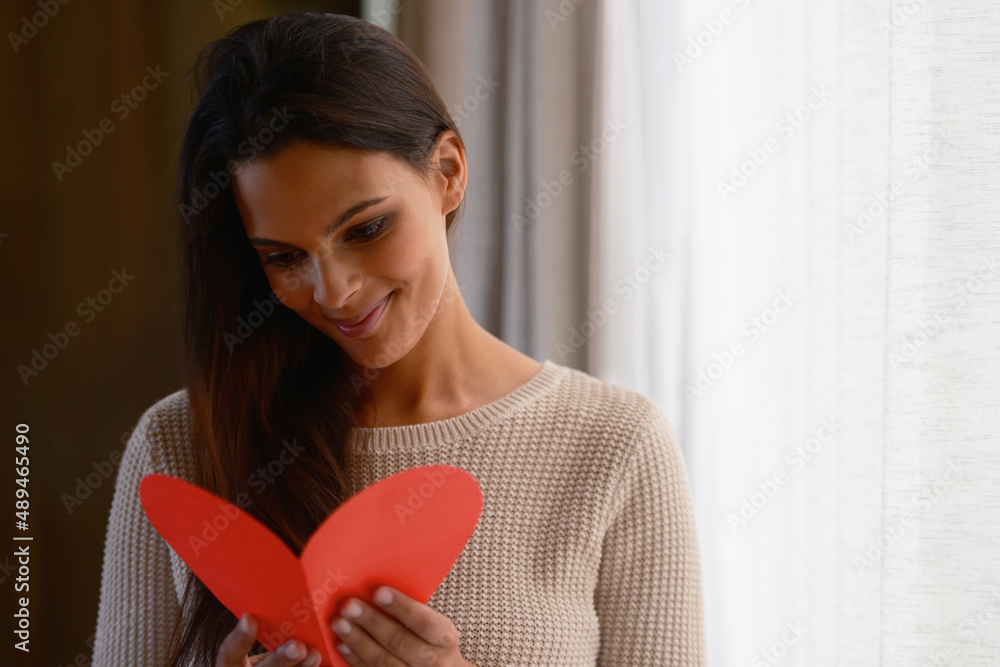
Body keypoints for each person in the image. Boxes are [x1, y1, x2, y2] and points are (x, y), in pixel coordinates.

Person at [91, 12, 707, 667]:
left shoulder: (614, 444)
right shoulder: (183, 444)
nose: (333, 291)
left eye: (365, 229)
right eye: (283, 256)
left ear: (447, 171)